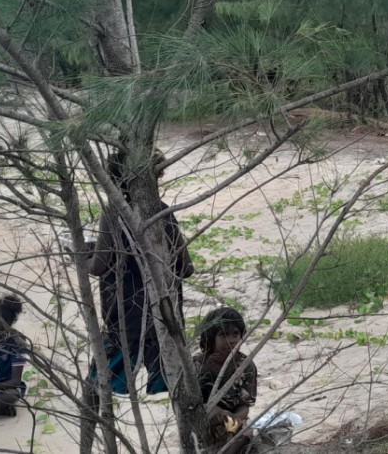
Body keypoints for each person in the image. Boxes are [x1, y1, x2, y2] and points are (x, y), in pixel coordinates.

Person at [88, 148, 194, 397]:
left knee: (99, 386)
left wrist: (82, 256)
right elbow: (186, 268)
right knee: (173, 389)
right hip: (165, 318)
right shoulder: (163, 211)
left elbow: (98, 266)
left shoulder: (113, 214)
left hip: (125, 322)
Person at [195, 307, 260, 454]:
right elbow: (193, 404)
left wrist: (234, 422)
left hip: (232, 421)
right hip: (204, 422)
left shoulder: (246, 366)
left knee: (244, 435)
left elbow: (245, 406)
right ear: (211, 339)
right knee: (212, 410)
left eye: (235, 334)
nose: (231, 340)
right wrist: (206, 370)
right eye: (223, 335)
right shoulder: (198, 365)